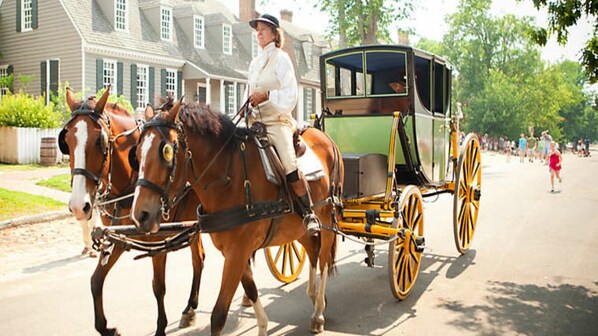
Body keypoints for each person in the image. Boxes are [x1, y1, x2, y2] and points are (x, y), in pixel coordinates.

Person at [245, 13, 320, 236]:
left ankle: (308, 214)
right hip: (254, 121)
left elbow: (290, 95)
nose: (258, 33)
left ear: (274, 34)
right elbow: (248, 92)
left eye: (263, 29)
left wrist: (267, 95)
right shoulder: (255, 63)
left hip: (277, 121)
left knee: (288, 163)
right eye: (257, 30)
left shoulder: (281, 58)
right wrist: (247, 105)